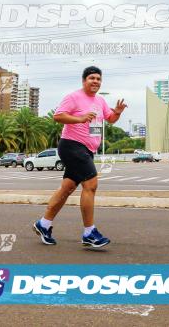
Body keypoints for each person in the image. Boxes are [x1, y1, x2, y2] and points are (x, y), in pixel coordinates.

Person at [33, 66, 127, 248]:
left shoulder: (100, 101)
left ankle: (43, 224)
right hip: (72, 146)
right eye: (92, 78)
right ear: (84, 81)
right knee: (91, 185)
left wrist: (117, 112)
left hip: (87, 150)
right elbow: (58, 116)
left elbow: (110, 119)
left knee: (67, 188)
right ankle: (89, 232)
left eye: (98, 79)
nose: (96, 81)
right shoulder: (73, 97)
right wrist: (80, 118)